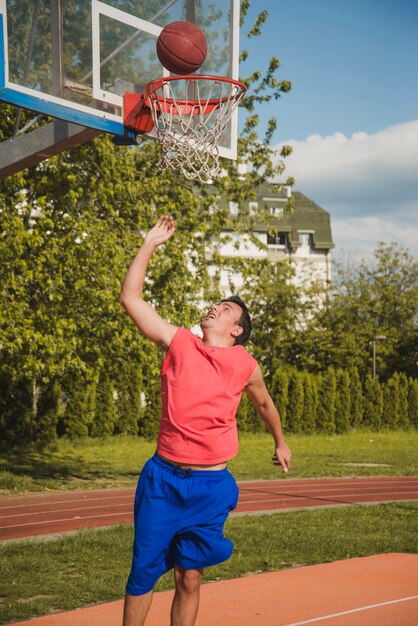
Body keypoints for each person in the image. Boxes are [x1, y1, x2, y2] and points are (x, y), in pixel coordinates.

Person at [119, 215, 292, 626]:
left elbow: (266, 406)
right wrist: (149, 245)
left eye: (226, 309)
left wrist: (280, 441)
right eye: (217, 304)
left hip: (211, 486)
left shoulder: (246, 364)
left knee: (190, 576)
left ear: (237, 330)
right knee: (143, 574)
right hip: (163, 480)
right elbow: (132, 299)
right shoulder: (178, 341)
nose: (215, 307)